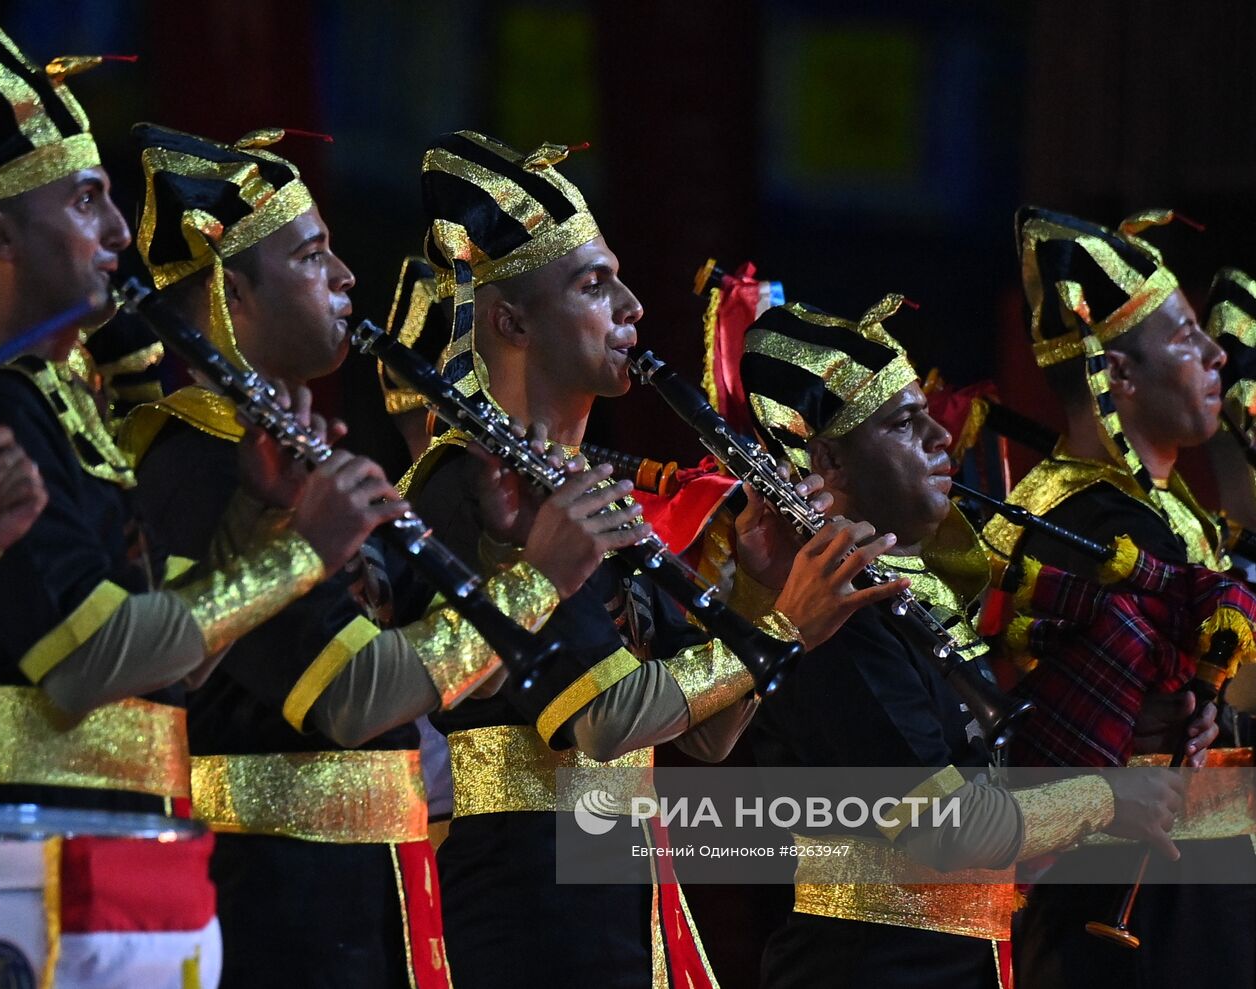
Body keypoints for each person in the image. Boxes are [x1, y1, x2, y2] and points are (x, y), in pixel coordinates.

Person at [0, 25, 374, 988]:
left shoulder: (59, 401)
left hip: (120, 857)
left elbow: (169, 674)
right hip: (27, 866)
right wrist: (300, 553)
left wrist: (255, 524)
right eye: (86, 200)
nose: (117, 237)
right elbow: (86, 661)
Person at [116, 122, 646, 987]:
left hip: (375, 904)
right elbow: (359, 698)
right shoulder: (196, 462)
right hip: (276, 914)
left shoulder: (287, 456)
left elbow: (430, 689)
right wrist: (538, 576)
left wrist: (500, 550)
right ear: (230, 294)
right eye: (312, 256)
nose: (346, 277)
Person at [400, 130, 902, 988]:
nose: (633, 306)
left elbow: (706, 735)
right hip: (521, 911)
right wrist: (782, 626)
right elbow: (603, 718)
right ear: (511, 319)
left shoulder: (590, 482)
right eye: (595, 284)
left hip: (617, 902)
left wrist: (754, 583)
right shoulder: (471, 478)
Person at [737, 294, 1186, 989]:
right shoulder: (840, 613)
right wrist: (1105, 797)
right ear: (829, 458)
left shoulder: (910, 589)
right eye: (904, 424)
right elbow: (945, 826)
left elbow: (984, 777)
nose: (943, 438)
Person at [984, 207, 1256, 989]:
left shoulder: (1161, 513)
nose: (1215, 356)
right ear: (1122, 376)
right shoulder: (1095, 528)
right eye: (1185, 338)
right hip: (1130, 907)